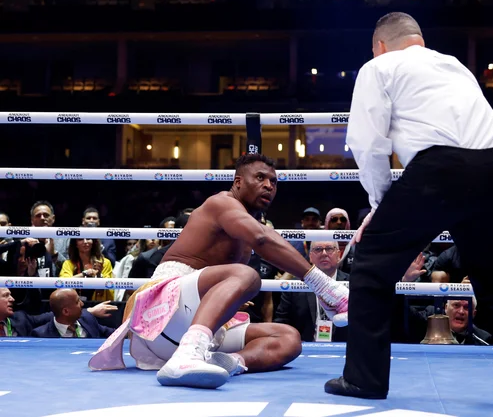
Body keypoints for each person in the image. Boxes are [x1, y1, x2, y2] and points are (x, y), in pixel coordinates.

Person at [323, 12, 493, 405]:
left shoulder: (379, 66)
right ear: (418, 39)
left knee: (371, 262)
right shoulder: (453, 65)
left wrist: (378, 206)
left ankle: (364, 379)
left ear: (380, 44)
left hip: (441, 168)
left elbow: (368, 144)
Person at [89, 154, 349, 389]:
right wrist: (327, 287)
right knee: (247, 275)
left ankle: (224, 363)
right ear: (237, 182)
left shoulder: (251, 223)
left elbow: (268, 242)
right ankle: (188, 355)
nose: (269, 185)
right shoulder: (221, 203)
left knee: (288, 338)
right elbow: (262, 240)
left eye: (274, 181)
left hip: (189, 328)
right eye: (260, 178)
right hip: (162, 312)